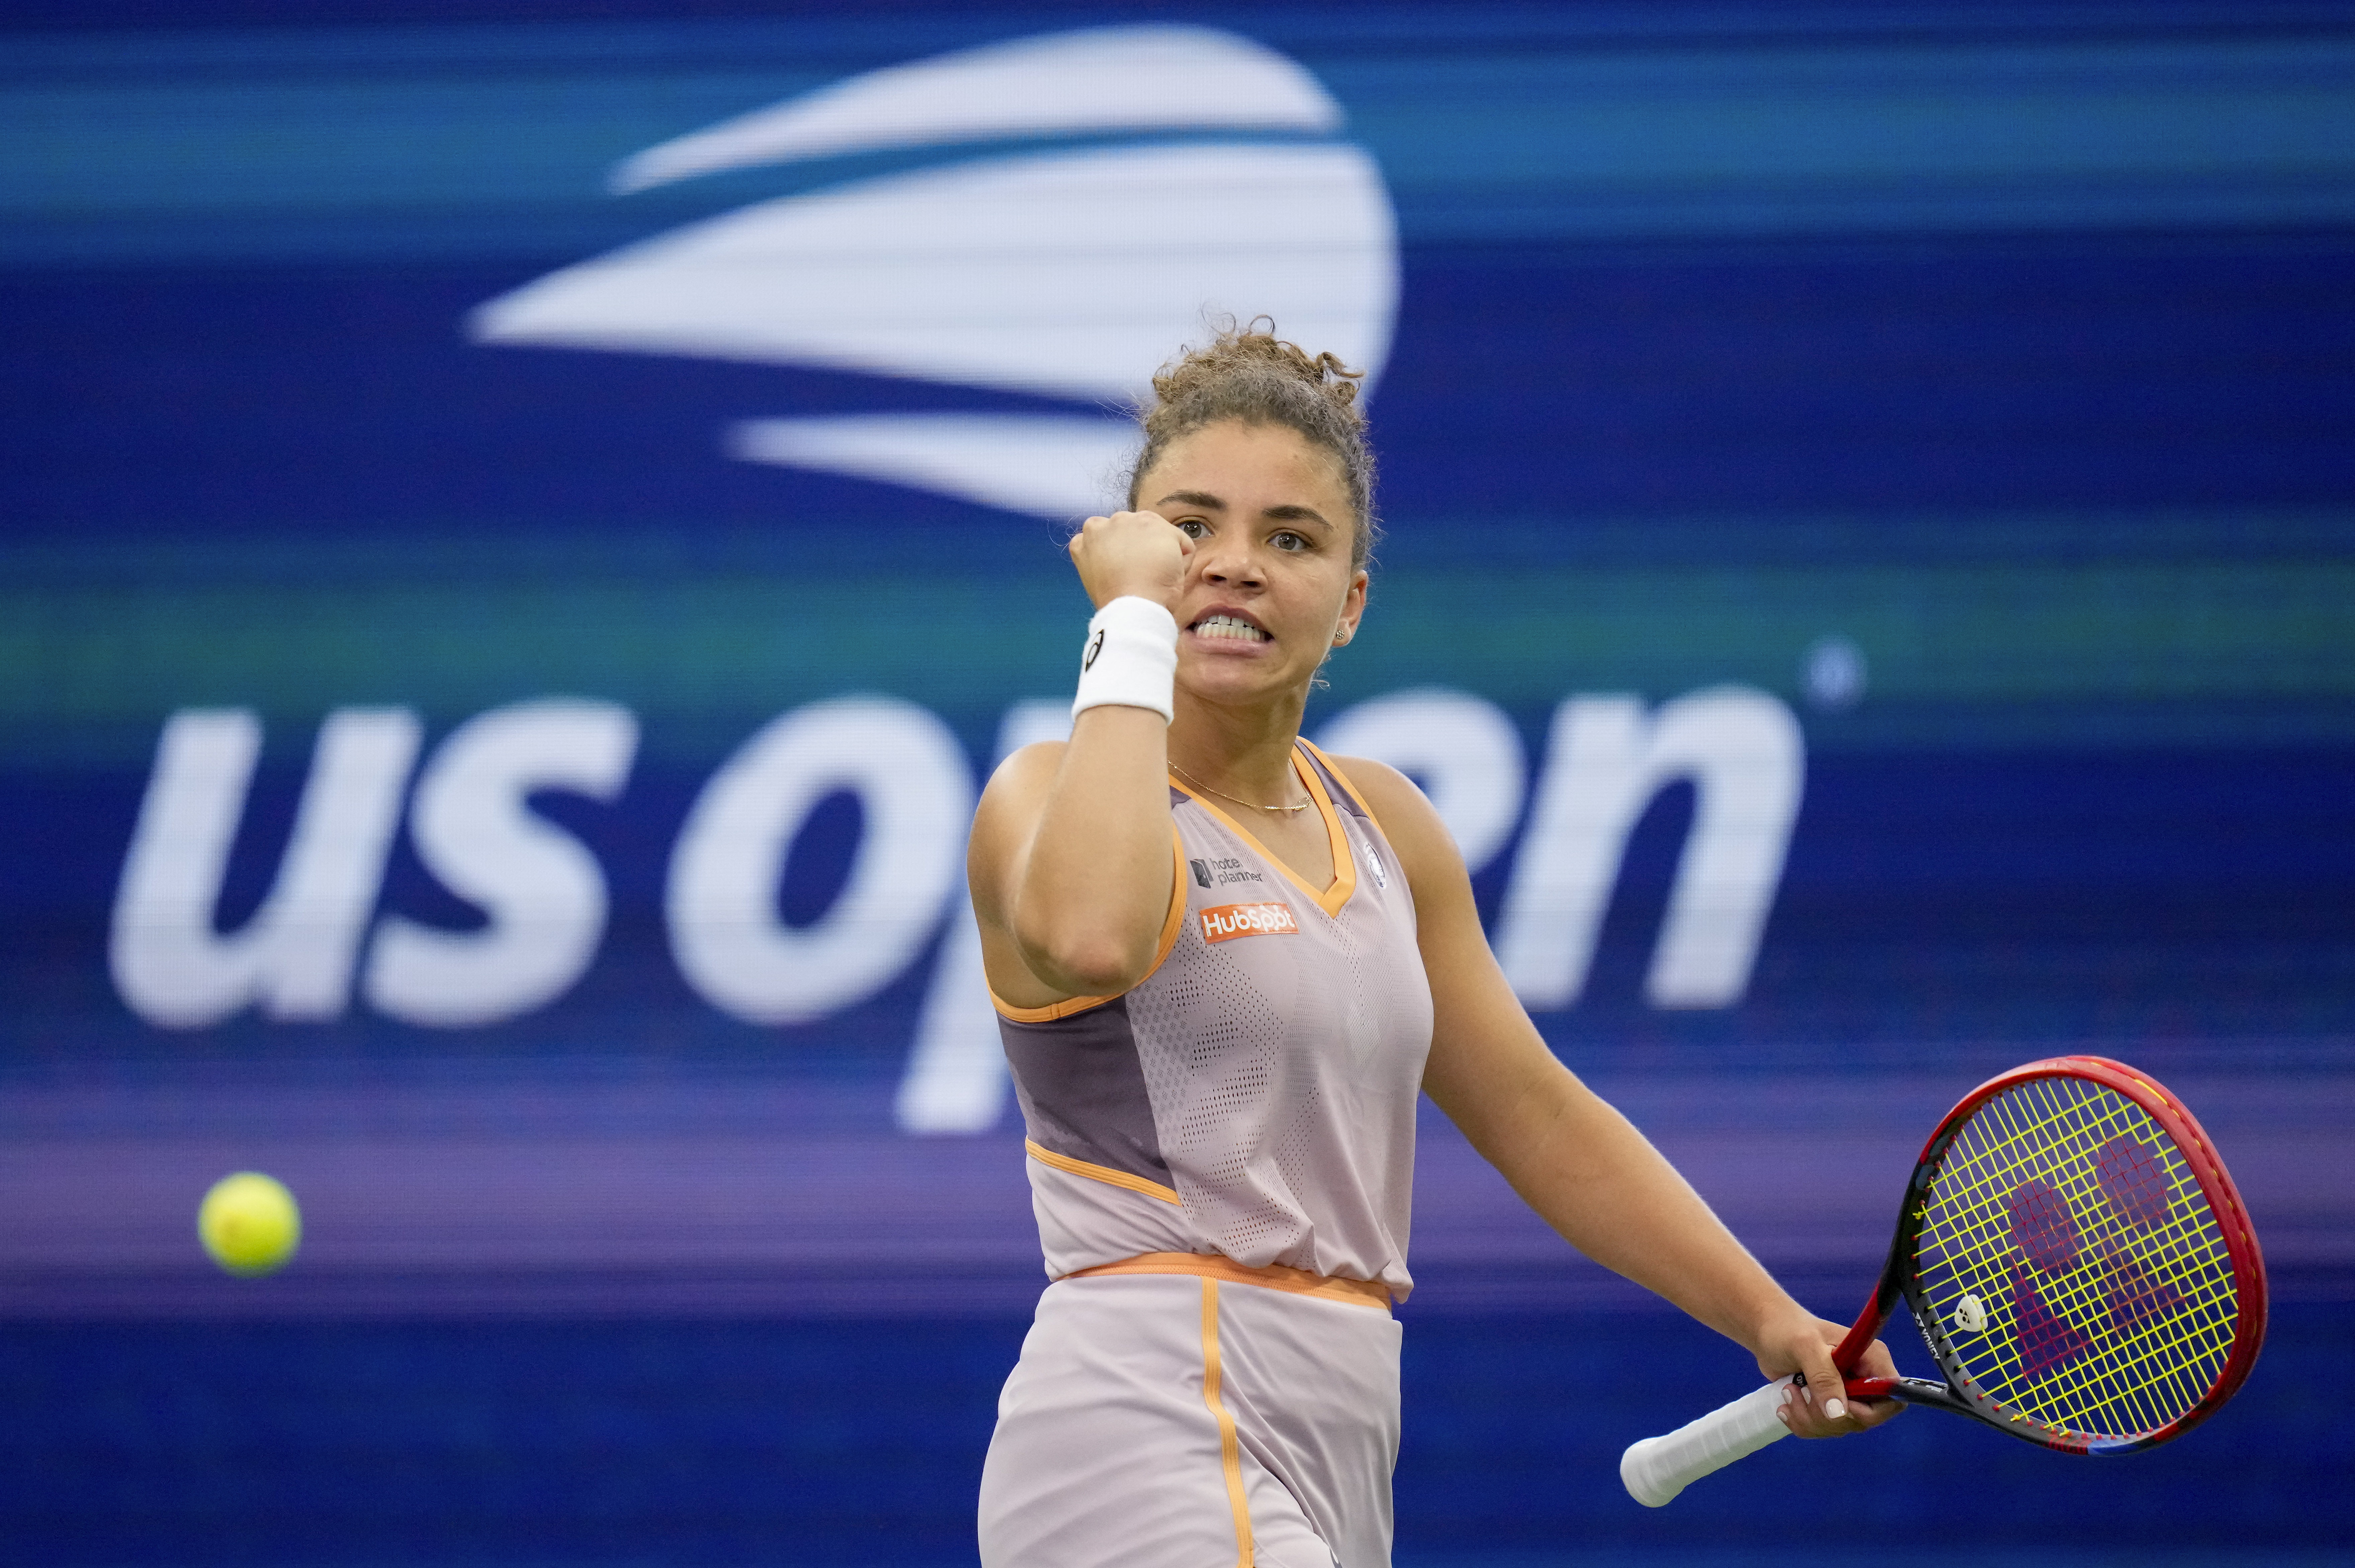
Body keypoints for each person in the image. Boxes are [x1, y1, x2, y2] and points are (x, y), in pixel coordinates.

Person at [968, 324, 1897, 1568]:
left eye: (1289, 540)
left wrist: (1768, 1316)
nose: (1234, 567)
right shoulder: (1043, 796)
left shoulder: (1388, 825)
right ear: (1124, 557)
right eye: (1190, 529)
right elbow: (1091, 937)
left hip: (1345, 1433)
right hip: (1143, 1418)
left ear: (1350, 604)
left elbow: (1537, 1114)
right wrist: (1130, 627)